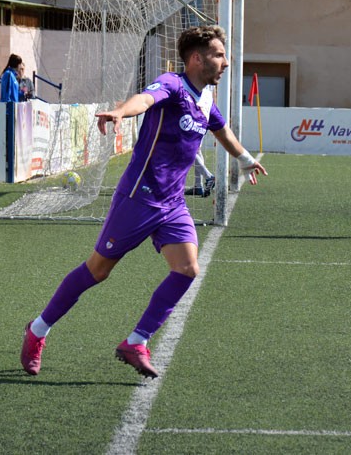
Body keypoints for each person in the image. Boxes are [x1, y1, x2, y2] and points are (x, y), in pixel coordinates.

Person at [20, 25, 268, 378]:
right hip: (139, 197)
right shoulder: (172, 85)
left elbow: (221, 129)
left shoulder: (206, 98)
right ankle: (37, 330)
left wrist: (245, 159)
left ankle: (136, 341)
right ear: (197, 59)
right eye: (218, 55)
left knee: (187, 269)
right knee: (97, 271)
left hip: (172, 204)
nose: (226, 62)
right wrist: (122, 112)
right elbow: (146, 99)